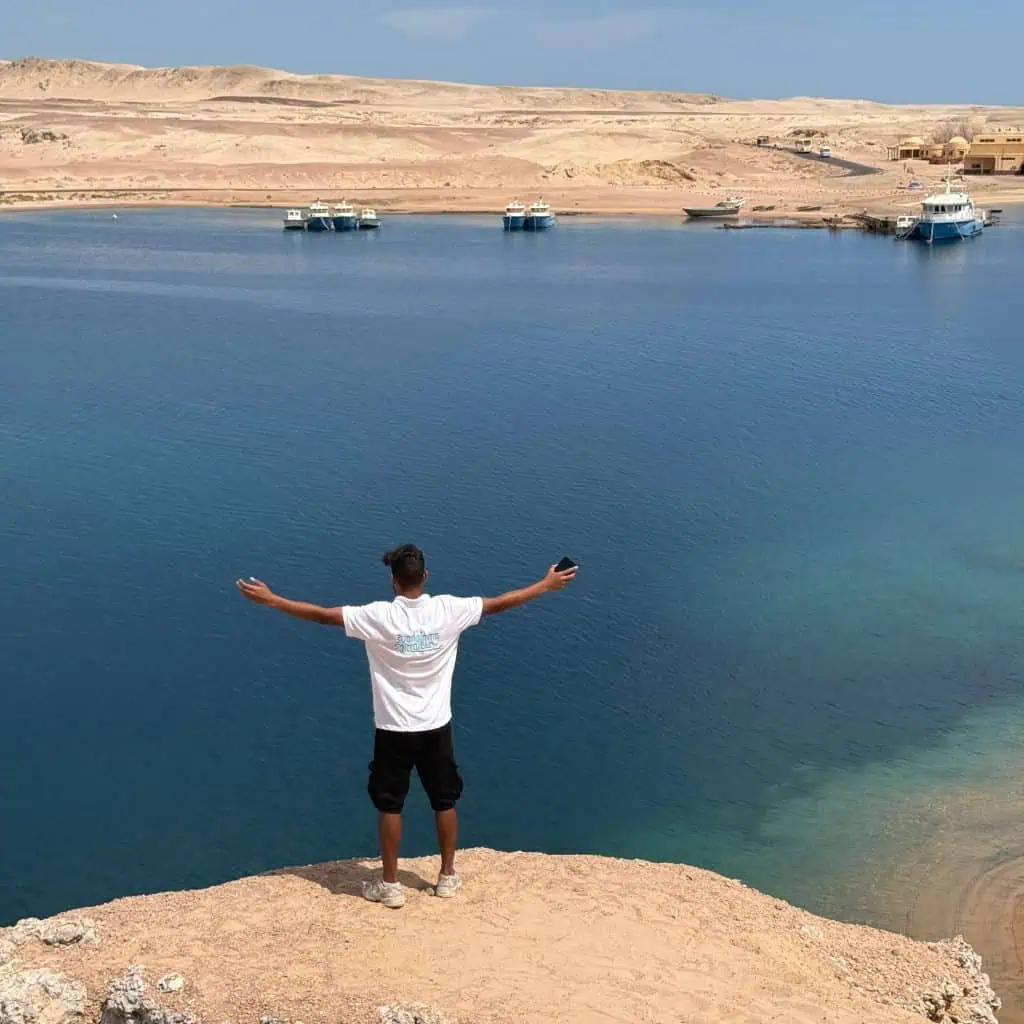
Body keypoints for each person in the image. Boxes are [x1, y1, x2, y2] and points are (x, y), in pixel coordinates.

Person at [236, 544, 577, 909]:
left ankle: (390, 885)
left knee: (390, 806)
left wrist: (273, 600)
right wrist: (545, 585)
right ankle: (447, 877)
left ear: (393, 582)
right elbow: (499, 603)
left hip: (393, 729)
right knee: (444, 800)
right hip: (436, 726)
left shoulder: (379, 617)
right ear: (425, 577)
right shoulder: (449, 610)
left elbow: (323, 616)